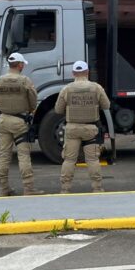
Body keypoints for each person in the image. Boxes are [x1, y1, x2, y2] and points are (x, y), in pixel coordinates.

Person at [0, 52, 44, 196]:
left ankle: (3, 189)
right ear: (20, 64)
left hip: (3, 120)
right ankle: (28, 188)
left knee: (4, 155)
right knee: (23, 155)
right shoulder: (25, 81)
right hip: (20, 121)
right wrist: (30, 110)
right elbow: (33, 100)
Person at [55, 60, 110, 193]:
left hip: (72, 129)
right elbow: (106, 105)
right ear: (87, 72)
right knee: (92, 159)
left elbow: (58, 110)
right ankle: (97, 187)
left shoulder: (66, 89)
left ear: (74, 73)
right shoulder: (96, 87)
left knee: (69, 160)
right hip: (90, 129)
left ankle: (65, 188)